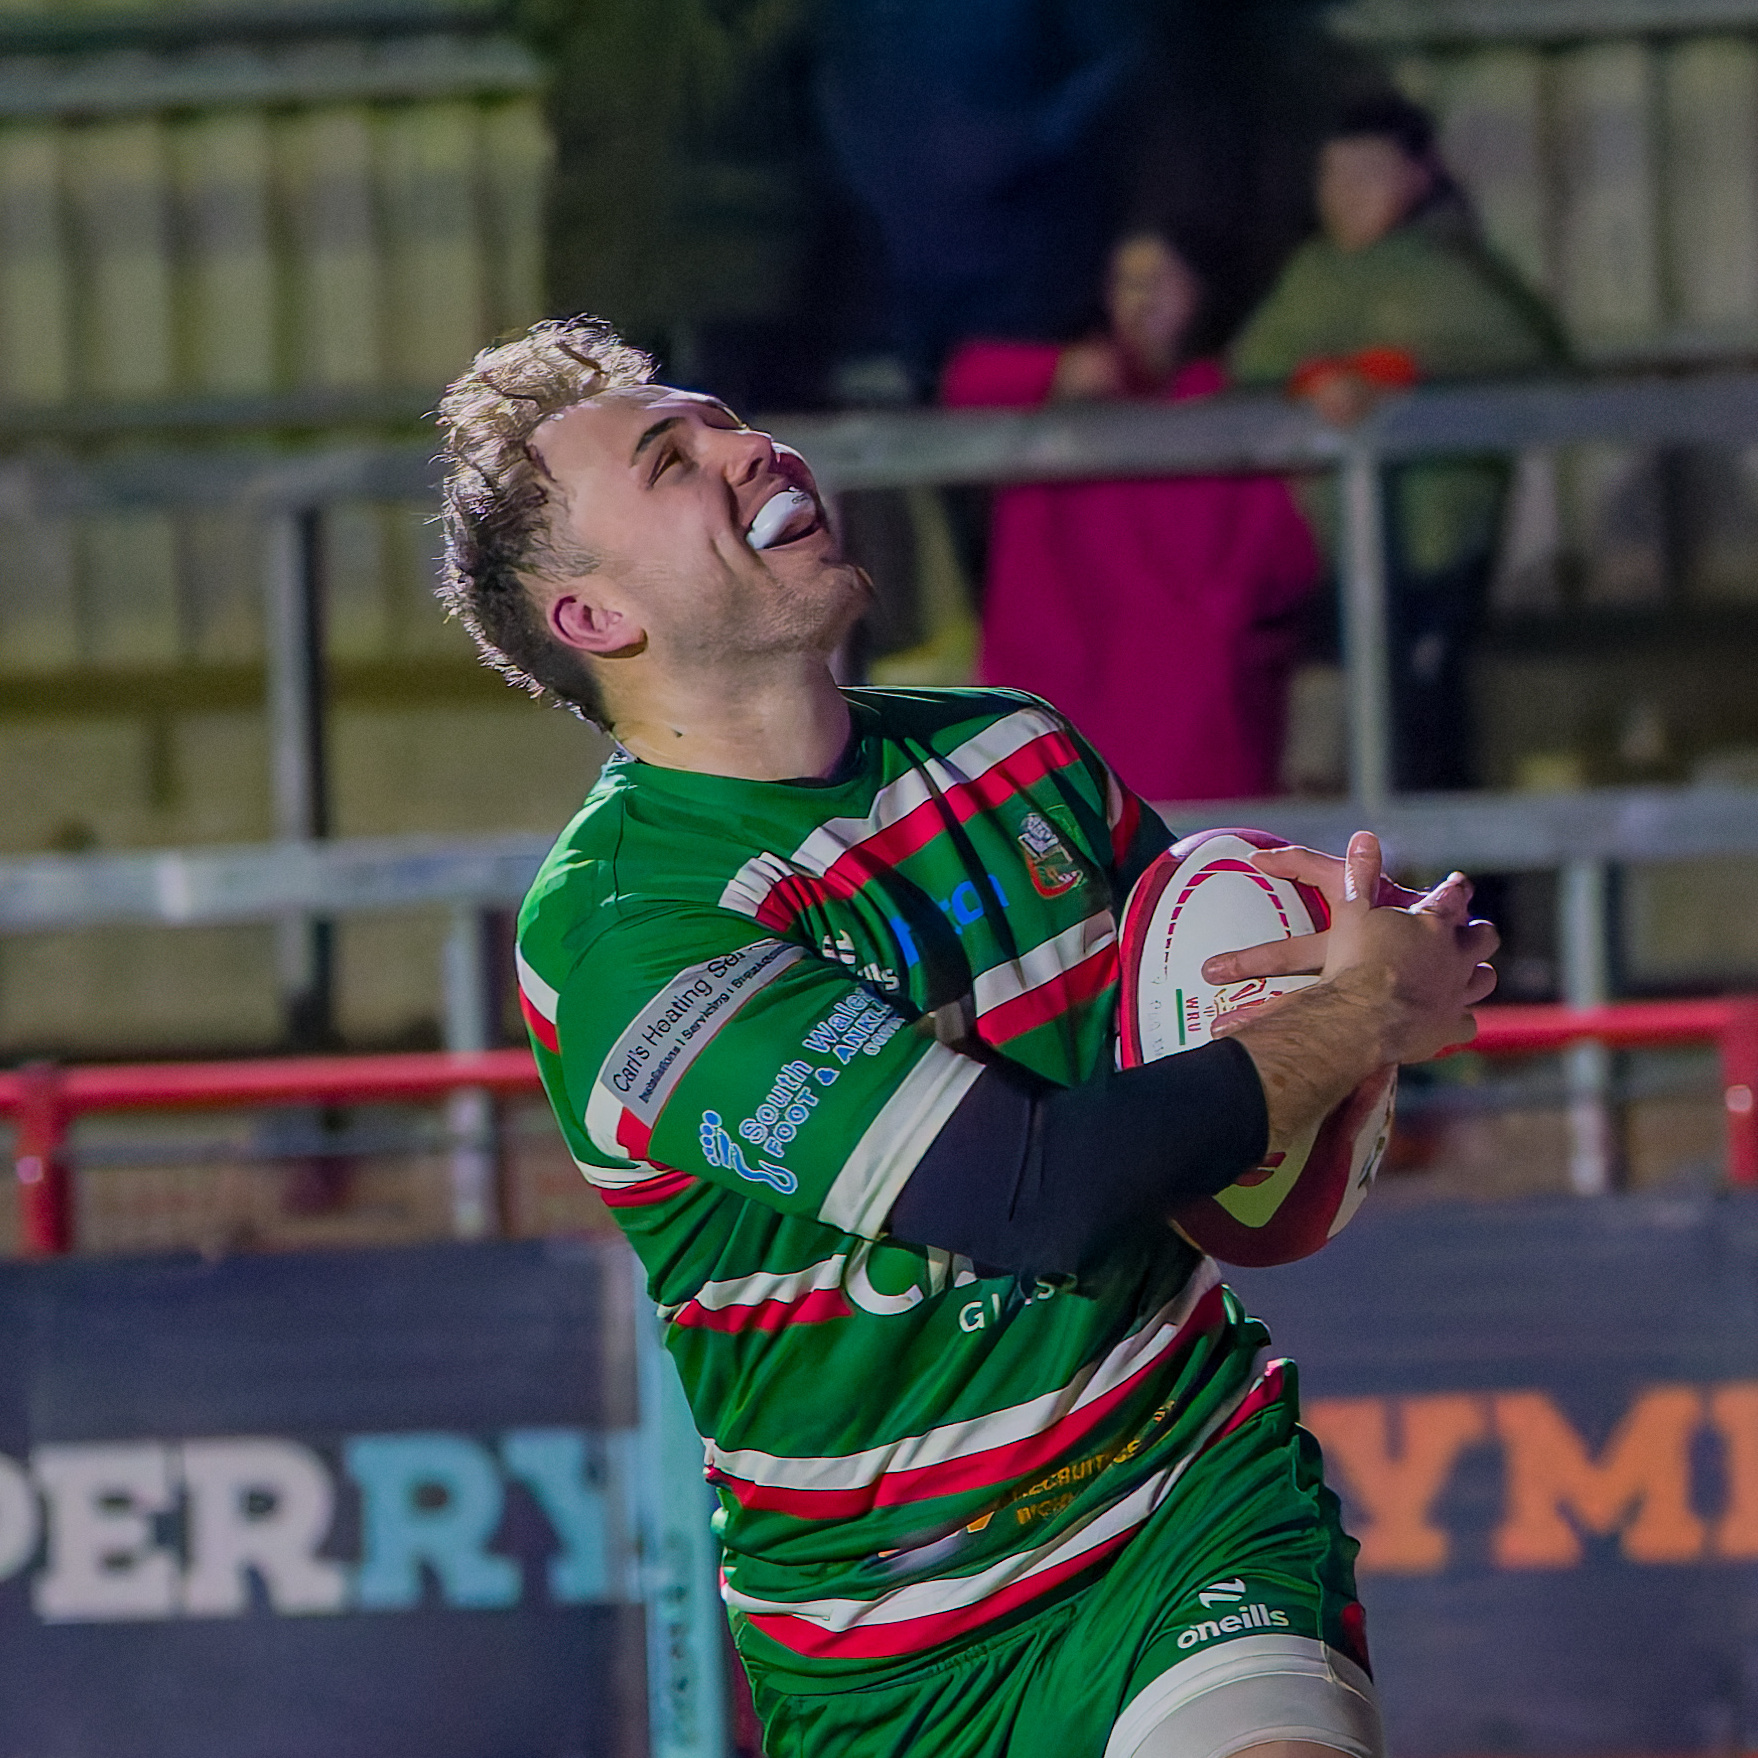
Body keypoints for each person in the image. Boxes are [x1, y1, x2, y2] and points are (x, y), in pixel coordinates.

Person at [436, 315, 1497, 1758]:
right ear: (595, 619)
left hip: (1183, 1497)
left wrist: (1368, 984)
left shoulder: (1017, 749)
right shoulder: (628, 930)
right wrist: (1360, 1006)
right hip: (890, 1652)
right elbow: (1027, 1192)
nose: (752, 448)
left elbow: (1208, 1066)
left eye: (730, 419)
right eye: (671, 460)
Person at [1230, 93, 1565, 791]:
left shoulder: (1452, 272)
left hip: (1430, 562)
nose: (1344, 196)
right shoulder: (1312, 276)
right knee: (1327, 743)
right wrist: (1310, 380)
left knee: (1429, 737)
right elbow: (1248, 369)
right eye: (1332, 176)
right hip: (1322, 565)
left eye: (1367, 175)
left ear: (1417, 177)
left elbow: (1524, 355)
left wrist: (1399, 374)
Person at [943, 231, 1321, 802]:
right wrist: (1060, 373)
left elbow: (1283, 557)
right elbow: (962, 385)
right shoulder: (1060, 391)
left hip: (1192, 717)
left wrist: (1217, 633)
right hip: (1061, 702)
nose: (1142, 299)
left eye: (1162, 281)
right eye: (1126, 281)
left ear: (1203, 292)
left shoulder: (1239, 407)